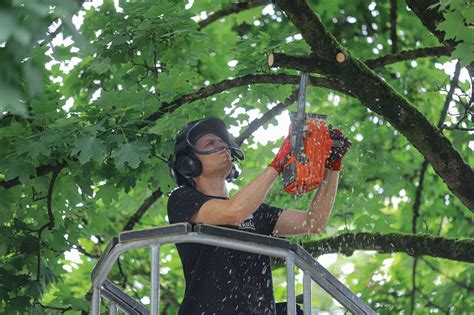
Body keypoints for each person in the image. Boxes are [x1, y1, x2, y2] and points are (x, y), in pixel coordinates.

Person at [167, 117, 351, 315]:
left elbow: (313, 222)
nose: (223, 147)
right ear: (189, 163)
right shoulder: (182, 199)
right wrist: (278, 163)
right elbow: (233, 212)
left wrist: (332, 168)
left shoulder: (255, 212)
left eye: (224, 142)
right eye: (210, 143)